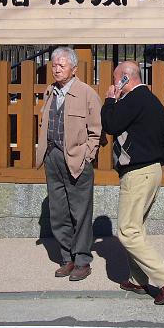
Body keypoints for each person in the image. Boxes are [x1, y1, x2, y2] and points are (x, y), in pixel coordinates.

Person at [101, 61, 164, 305]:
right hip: (153, 170)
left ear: (125, 79)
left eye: (117, 79)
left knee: (127, 231)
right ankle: (138, 279)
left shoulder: (132, 100)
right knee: (137, 226)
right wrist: (158, 160)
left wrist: (109, 100)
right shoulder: (152, 100)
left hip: (137, 173)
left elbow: (110, 124)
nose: (115, 84)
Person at [35, 47, 102, 281]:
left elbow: (97, 131)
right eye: (54, 65)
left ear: (74, 68)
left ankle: (83, 260)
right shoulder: (50, 92)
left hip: (76, 158)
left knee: (80, 212)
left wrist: (87, 155)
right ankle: (67, 258)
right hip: (52, 157)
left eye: (61, 65)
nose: (56, 69)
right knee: (58, 211)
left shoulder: (87, 93)